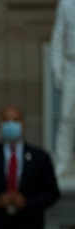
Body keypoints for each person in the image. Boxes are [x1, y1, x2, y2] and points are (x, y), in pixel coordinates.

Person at [50, 0, 75, 177]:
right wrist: (57, 68)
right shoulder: (66, 4)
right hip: (71, 65)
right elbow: (58, 37)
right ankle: (63, 162)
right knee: (66, 116)